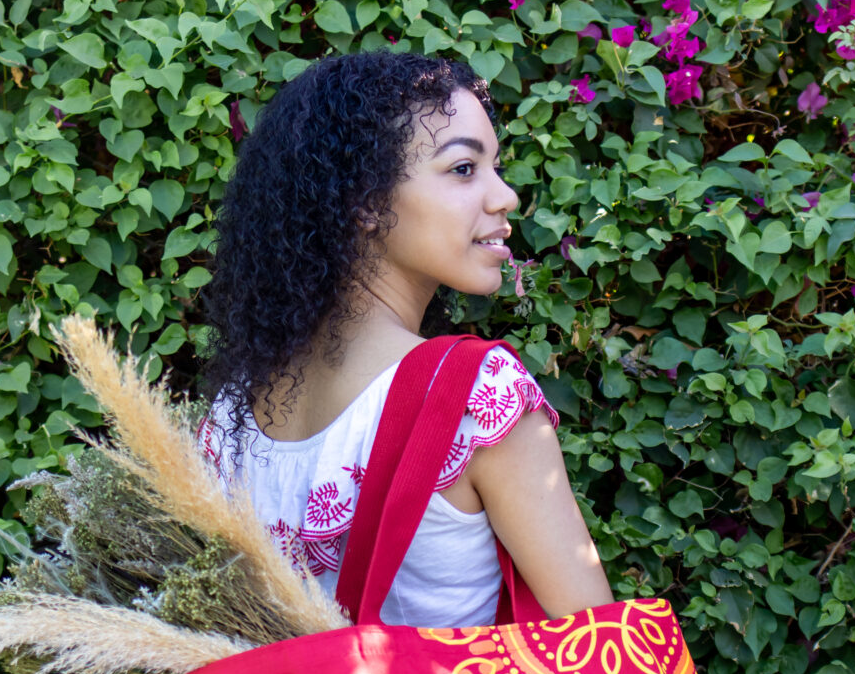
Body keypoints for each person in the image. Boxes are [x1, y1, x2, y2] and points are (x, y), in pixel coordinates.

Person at [197, 51, 613, 625]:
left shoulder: (231, 413)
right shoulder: (474, 396)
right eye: (464, 169)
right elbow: (600, 650)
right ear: (365, 203)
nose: (505, 198)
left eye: (494, 167)